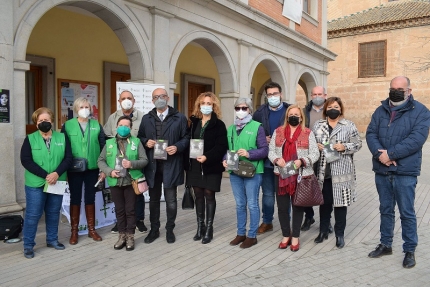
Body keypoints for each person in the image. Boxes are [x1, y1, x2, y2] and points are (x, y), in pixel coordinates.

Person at [366, 76, 430, 268]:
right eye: (392, 88)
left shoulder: (421, 112)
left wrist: (391, 154)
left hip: (404, 171)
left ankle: (409, 249)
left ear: (409, 91)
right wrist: (381, 155)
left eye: (399, 89)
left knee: (407, 212)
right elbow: (371, 134)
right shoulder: (380, 110)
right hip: (382, 170)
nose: (395, 91)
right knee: (385, 210)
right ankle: (386, 244)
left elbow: (417, 139)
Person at [137, 88, 189, 244]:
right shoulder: (147, 118)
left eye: (162, 96)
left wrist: (178, 147)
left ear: (167, 98)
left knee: (171, 200)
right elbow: (140, 136)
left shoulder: (179, 118)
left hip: (171, 164)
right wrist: (146, 142)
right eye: (156, 97)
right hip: (152, 166)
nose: (159, 98)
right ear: (152, 100)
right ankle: (154, 229)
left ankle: (170, 229)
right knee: (153, 200)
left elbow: (186, 137)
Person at [20, 107, 73, 259]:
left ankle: (52, 240)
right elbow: (26, 161)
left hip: (57, 181)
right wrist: (46, 175)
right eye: (40, 121)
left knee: (53, 213)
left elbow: (68, 158)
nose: (44, 123)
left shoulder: (62, 138)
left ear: (52, 121)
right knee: (33, 215)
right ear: (36, 124)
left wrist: (56, 173)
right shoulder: (30, 139)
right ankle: (28, 245)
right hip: (36, 183)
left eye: (47, 120)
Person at [268, 105, 319, 251]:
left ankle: (295, 236)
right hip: (282, 175)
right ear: (287, 117)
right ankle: (286, 235)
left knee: (298, 207)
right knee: (283, 208)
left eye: (296, 114)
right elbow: (271, 151)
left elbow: (315, 153)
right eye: (291, 114)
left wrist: (302, 161)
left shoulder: (308, 133)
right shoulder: (278, 132)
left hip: (301, 176)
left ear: (301, 117)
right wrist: (277, 159)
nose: (294, 116)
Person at [312, 97, 362, 248]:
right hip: (324, 171)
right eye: (330, 106)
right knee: (325, 204)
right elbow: (310, 143)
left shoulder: (348, 125)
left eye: (336, 106)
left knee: (340, 205)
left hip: (342, 172)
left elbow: (358, 144)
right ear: (325, 109)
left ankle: (340, 234)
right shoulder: (318, 125)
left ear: (340, 109)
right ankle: (323, 231)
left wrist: (344, 147)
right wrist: (317, 146)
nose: (333, 109)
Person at [98, 116, 148, 251]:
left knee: (130, 210)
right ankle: (122, 235)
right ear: (116, 126)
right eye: (121, 125)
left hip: (131, 182)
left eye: (126, 126)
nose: (123, 127)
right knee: (120, 211)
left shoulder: (136, 142)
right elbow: (100, 161)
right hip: (115, 182)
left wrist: (132, 164)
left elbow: (144, 160)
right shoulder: (109, 143)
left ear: (131, 128)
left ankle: (130, 236)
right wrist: (109, 171)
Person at [224, 98, 268, 248]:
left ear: (249, 109)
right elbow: (227, 149)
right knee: (240, 204)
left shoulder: (257, 127)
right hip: (235, 170)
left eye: (244, 108)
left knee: (252, 204)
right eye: (238, 108)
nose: (241, 110)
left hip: (253, 171)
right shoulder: (230, 128)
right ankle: (240, 233)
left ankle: (252, 235)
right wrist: (224, 160)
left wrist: (249, 153)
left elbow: (264, 149)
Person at [62, 97, 106, 245]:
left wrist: (103, 168)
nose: (85, 109)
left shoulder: (96, 125)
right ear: (76, 109)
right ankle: (74, 231)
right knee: (75, 198)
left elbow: (103, 147)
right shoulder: (67, 126)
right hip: (74, 169)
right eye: (82, 107)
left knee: (90, 198)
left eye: (87, 107)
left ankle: (91, 230)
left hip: (92, 168)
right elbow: (63, 148)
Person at [185, 92, 228, 244]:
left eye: (209, 103)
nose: (205, 106)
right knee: (198, 195)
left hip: (211, 165)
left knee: (209, 195)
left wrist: (207, 157)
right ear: (199, 105)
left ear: (214, 106)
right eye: (203, 103)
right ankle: (200, 227)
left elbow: (222, 146)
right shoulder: (194, 123)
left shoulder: (219, 124)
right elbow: (188, 142)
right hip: (195, 165)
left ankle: (209, 229)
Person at [104, 90, 147, 234]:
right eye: (123, 98)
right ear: (119, 101)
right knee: (120, 201)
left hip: (135, 161)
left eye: (129, 98)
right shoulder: (112, 117)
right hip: (117, 164)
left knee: (137, 193)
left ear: (134, 101)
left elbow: (145, 138)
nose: (126, 100)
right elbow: (107, 136)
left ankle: (139, 220)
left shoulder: (142, 117)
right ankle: (120, 224)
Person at [252, 82, 289, 235]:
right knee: (267, 194)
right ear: (266, 96)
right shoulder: (259, 112)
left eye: (275, 93)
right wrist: (262, 139)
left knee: (285, 193)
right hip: (267, 161)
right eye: (270, 94)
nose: (273, 97)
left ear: (281, 94)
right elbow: (252, 133)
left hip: (285, 160)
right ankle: (267, 222)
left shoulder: (290, 110)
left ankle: (287, 223)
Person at [301, 86, 331, 232]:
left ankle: (326, 221)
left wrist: (324, 145)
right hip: (308, 156)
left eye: (320, 94)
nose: (317, 96)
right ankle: (309, 216)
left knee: (325, 188)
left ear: (325, 95)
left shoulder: (331, 111)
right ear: (311, 96)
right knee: (307, 186)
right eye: (315, 94)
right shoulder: (305, 112)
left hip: (326, 155)